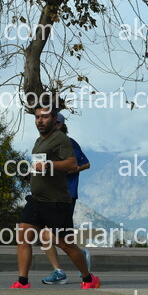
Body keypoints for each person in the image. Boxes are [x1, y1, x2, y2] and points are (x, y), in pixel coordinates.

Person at [10, 105, 99, 289]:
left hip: (56, 202)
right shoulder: (38, 141)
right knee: (24, 236)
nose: (40, 121)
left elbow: (72, 164)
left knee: (66, 245)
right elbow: (41, 166)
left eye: (44, 117)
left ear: (54, 119)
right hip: (36, 200)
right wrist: (31, 174)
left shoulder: (62, 139)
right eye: (37, 117)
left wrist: (49, 165)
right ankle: (22, 282)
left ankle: (89, 279)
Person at [41, 113, 91, 285]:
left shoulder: (68, 143)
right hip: (48, 194)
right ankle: (59, 271)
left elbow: (85, 163)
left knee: (52, 235)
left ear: (59, 125)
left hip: (65, 195)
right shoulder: (44, 144)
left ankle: (78, 256)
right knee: (46, 234)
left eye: (50, 121)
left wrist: (71, 169)